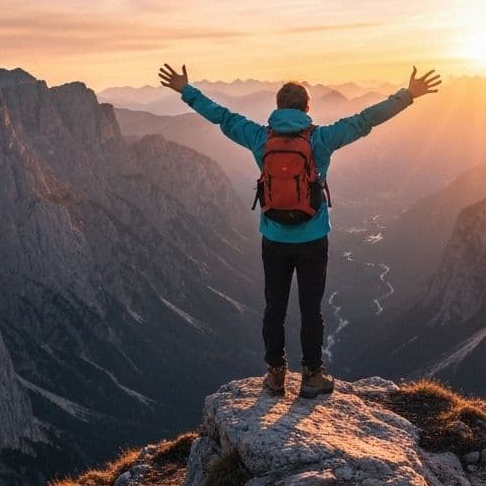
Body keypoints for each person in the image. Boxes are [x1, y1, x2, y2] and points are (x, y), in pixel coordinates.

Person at [157, 63, 442, 398]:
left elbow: (221, 116)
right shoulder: (320, 139)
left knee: (273, 307)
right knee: (311, 309)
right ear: (307, 108)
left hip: (274, 238)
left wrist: (185, 90)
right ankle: (311, 376)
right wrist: (407, 95)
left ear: (278, 107)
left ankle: (275, 376)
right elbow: (365, 120)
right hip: (312, 239)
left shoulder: (259, 137)